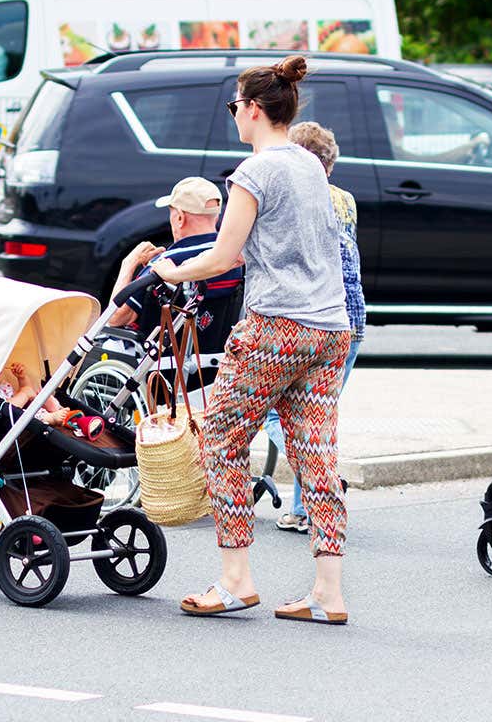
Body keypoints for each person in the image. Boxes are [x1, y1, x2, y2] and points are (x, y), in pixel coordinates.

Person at [152, 55, 353, 625]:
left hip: (276, 327)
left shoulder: (255, 171)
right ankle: (328, 593)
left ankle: (236, 579)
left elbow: (222, 255)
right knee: (315, 452)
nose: (234, 115)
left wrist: (168, 271)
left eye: (235, 106)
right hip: (329, 328)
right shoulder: (311, 167)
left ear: (255, 109)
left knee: (219, 439)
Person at [268, 121, 366, 534]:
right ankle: (305, 507)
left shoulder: (300, 198)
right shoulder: (346, 200)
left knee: (280, 413)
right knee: (318, 417)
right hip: (353, 320)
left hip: (310, 317)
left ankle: (319, 480)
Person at [108, 176, 243, 337]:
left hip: (164, 358)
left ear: (179, 217)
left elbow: (116, 318)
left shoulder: (166, 262)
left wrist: (129, 263)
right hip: (214, 356)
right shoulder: (232, 257)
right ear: (217, 215)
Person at [379, 101, 491, 165]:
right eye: (393, 120)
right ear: (380, 123)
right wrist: (471, 145)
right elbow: (429, 162)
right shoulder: (382, 151)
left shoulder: (383, 149)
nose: (398, 126)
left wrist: (463, 155)